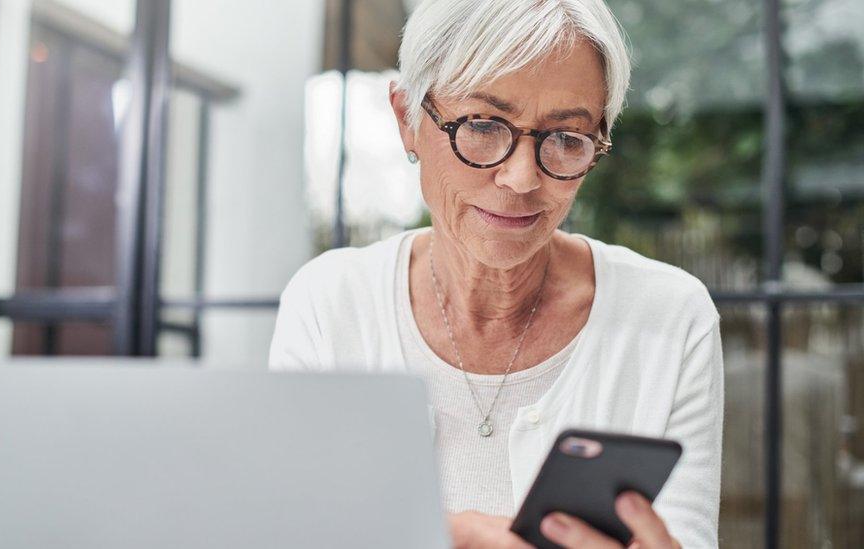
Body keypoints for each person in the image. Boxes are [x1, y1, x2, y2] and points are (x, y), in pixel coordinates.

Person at [270, 0, 723, 547]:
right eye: (482, 126)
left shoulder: (670, 317)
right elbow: (290, 528)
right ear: (406, 119)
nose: (521, 177)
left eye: (566, 138)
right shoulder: (330, 304)